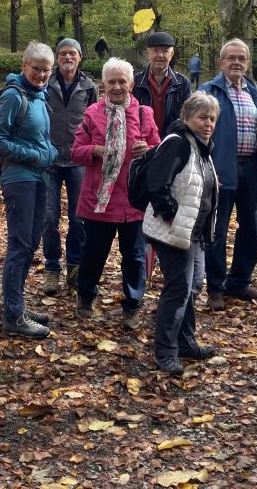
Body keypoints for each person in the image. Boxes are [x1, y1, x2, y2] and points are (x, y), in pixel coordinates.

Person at [72, 58, 160, 329]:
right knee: (93, 254)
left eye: (122, 81)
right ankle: (85, 296)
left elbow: (159, 150)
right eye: (112, 81)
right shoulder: (92, 114)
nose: (117, 86)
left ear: (131, 84)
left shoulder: (145, 113)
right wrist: (94, 151)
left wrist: (148, 150)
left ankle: (132, 305)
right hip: (99, 200)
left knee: (134, 256)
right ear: (103, 84)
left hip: (133, 201)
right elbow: (75, 152)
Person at [141, 92, 219, 374]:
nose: (208, 123)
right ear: (186, 118)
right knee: (178, 290)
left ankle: (185, 342)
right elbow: (156, 183)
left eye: (212, 118)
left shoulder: (203, 148)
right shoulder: (178, 145)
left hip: (193, 233)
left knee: (193, 286)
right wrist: (172, 216)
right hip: (173, 232)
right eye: (202, 117)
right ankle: (165, 351)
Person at [0, 41, 59, 339]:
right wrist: (35, 155)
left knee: (31, 244)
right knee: (20, 245)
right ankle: (13, 315)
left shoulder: (40, 98)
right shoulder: (13, 97)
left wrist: (50, 152)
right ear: (24, 66)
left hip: (39, 177)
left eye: (46, 71)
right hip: (18, 178)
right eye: (36, 69)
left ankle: (15, 306)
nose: (41, 75)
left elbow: (41, 139)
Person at [200, 39, 257, 309]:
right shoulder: (209, 91)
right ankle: (216, 287)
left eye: (241, 58)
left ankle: (240, 281)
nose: (236, 62)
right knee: (216, 231)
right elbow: (197, 134)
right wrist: (205, 171)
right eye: (231, 58)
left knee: (251, 228)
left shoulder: (254, 93)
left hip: (251, 170)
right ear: (221, 62)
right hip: (221, 171)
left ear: (246, 62)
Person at [42, 38, 98, 296]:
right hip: (50, 159)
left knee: (79, 218)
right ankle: (52, 267)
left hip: (78, 161)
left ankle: (75, 265)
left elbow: (96, 121)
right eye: (63, 53)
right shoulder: (46, 83)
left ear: (80, 57)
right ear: (56, 57)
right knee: (49, 216)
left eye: (72, 53)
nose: (67, 57)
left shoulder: (88, 87)